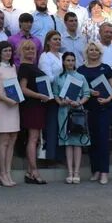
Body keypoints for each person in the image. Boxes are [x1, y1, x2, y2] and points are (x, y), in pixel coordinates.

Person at [77, 42, 112, 185]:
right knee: (92, 140)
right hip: (88, 109)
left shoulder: (106, 68)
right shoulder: (81, 70)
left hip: (104, 108)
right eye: (91, 50)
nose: (93, 52)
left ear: (100, 53)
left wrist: (109, 98)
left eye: (96, 50)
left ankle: (104, 172)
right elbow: (79, 89)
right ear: (87, 52)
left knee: (103, 140)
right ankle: (96, 170)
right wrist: (88, 91)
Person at [18, 40, 51, 185]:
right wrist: (39, 96)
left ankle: (30, 172)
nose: (31, 51)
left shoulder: (33, 66)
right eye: (27, 49)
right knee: (33, 138)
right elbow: (22, 88)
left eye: (32, 49)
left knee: (35, 138)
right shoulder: (24, 67)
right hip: (31, 105)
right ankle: (34, 171)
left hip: (39, 105)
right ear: (22, 51)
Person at [55, 52, 91, 184]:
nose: (70, 62)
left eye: (72, 60)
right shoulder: (58, 77)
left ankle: (77, 172)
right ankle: (69, 172)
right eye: (68, 60)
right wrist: (60, 102)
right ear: (63, 62)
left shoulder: (81, 77)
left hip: (77, 111)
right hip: (64, 111)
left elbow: (87, 94)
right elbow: (55, 95)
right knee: (67, 142)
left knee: (77, 142)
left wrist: (79, 102)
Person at [0, 41, 20, 187]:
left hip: (14, 106)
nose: (8, 53)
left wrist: (16, 98)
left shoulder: (13, 67)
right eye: (5, 51)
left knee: (13, 138)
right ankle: (2, 173)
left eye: (10, 50)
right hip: (3, 106)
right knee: (4, 140)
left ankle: (8, 171)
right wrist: (7, 100)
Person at [39, 31, 64, 163]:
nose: (58, 41)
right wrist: (63, 79)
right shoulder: (45, 56)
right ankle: (51, 156)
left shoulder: (62, 55)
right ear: (48, 42)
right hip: (52, 97)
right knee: (52, 125)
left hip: (65, 95)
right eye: (55, 39)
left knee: (63, 125)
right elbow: (47, 77)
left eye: (59, 39)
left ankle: (61, 155)